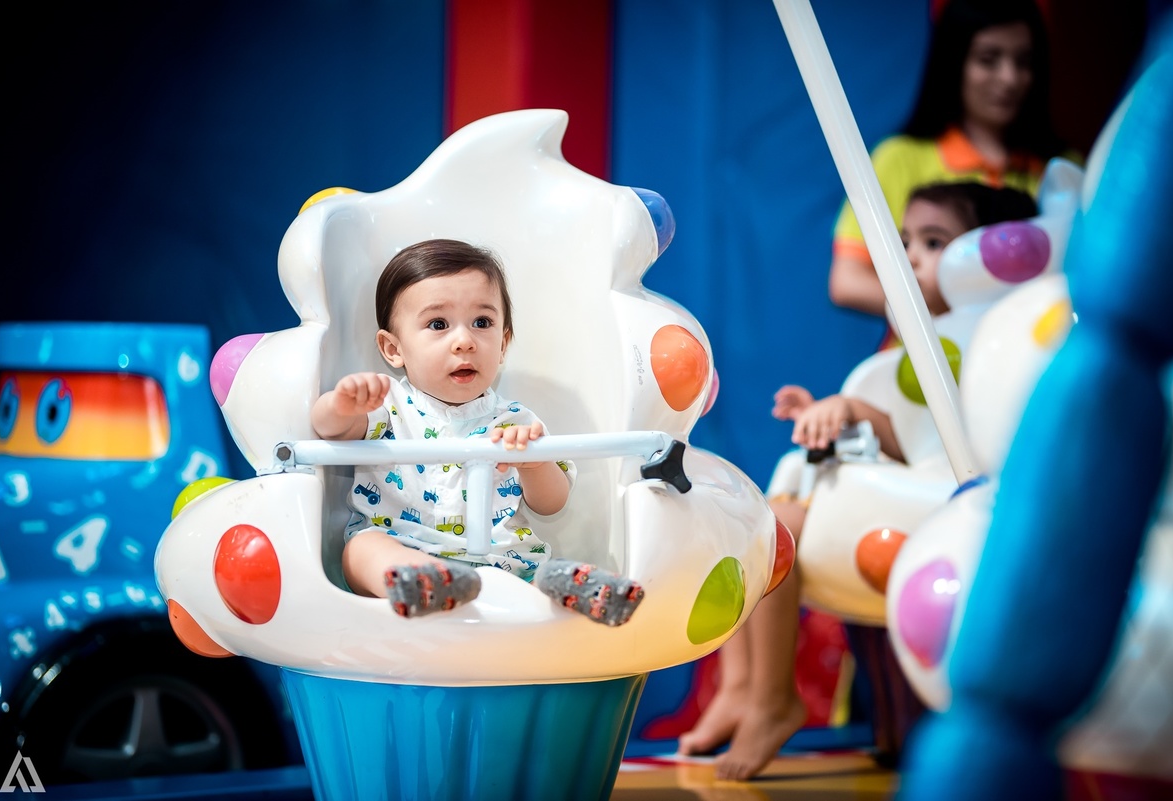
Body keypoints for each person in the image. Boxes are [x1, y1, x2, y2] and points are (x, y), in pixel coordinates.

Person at [678, 182, 1038, 780]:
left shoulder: (988, 348)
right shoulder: (914, 346)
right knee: (746, 525)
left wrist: (850, 411)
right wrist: (830, 414)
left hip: (948, 511)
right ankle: (739, 686)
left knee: (774, 531)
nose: (911, 256)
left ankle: (772, 698)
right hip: (897, 491)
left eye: (934, 243)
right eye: (906, 241)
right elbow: (900, 432)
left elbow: (941, 449)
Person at [310, 238, 645, 626]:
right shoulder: (387, 405)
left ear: (503, 344)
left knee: (538, 576)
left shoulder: (517, 421)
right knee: (360, 549)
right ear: (393, 349)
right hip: (405, 551)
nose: (465, 341)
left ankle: (566, 586)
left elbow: (552, 504)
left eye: (482, 323)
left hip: (503, 566)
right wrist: (342, 405)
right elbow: (330, 429)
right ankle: (422, 580)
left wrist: (534, 464)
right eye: (438, 325)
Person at [830, 0, 1068, 318]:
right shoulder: (899, 157)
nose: (1009, 78)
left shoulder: (1063, 169)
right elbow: (847, 280)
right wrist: (945, 316)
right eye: (988, 59)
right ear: (954, 61)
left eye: (1024, 61)